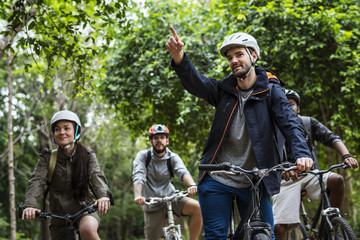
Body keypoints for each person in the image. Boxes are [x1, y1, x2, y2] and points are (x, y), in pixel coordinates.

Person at [165, 27, 313, 240]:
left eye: (239, 54)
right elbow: (197, 84)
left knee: (263, 234)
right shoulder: (224, 91)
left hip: (255, 179)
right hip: (217, 176)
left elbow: (290, 124)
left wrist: (301, 153)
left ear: (253, 56)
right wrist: (179, 57)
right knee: (215, 236)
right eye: (230, 57)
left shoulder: (271, 91)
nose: (233, 60)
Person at [272, 89, 359, 240]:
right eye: (283, 104)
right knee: (278, 228)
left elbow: (331, 138)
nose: (287, 107)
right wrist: (279, 171)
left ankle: (330, 230)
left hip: (312, 175)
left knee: (337, 180)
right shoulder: (272, 129)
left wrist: (347, 155)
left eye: (291, 104)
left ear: (298, 108)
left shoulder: (307, 123)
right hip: (287, 180)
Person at [22, 110, 113, 240]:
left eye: (66, 128)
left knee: (87, 229)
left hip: (84, 209)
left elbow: (95, 174)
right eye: (57, 129)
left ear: (76, 132)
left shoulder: (87, 155)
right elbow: (37, 180)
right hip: (58, 215)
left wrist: (103, 196)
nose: (62, 132)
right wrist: (29, 205)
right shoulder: (47, 157)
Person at [132, 124, 202, 240]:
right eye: (155, 138)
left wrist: (192, 185)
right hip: (152, 203)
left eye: (162, 137)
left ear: (167, 141)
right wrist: (138, 195)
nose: (159, 140)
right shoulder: (143, 156)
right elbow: (139, 176)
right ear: (151, 142)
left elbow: (182, 172)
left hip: (171, 198)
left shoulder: (172, 157)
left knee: (198, 208)